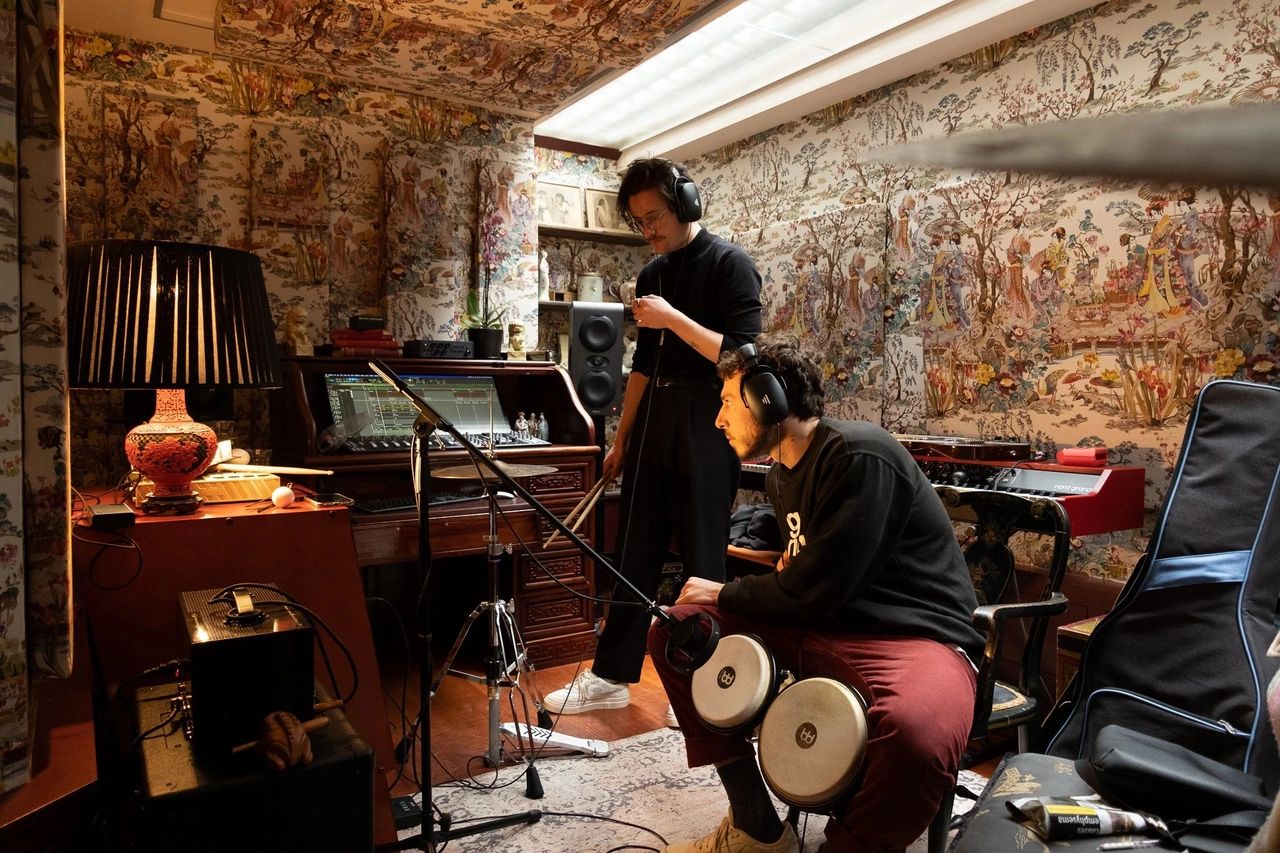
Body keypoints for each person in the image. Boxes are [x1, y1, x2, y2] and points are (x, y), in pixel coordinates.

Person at [648, 334, 981, 853]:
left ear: (768, 399)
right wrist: (737, 593)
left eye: (728, 403)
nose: (719, 419)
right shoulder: (783, 477)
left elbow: (814, 588)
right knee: (677, 630)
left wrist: (727, 592)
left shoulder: (859, 454)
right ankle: (757, 826)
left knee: (917, 734)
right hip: (827, 625)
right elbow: (803, 576)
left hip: (915, 637)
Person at [544, 157, 763, 718]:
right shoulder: (652, 274)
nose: (649, 231)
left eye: (655, 216)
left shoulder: (731, 265)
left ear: (686, 203)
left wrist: (671, 319)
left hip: (710, 419)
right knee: (633, 553)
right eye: (638, 221)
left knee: (701, 558)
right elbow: (641, 366)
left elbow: (741, 355)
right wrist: (621, 437)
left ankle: (704, 687)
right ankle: (611, 675)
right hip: (653, 418)